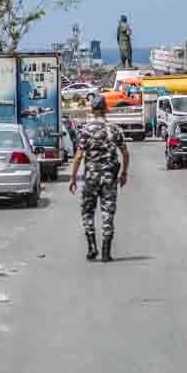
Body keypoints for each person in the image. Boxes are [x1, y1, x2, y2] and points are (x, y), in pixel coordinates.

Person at [68, 93, 130, 262]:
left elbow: (79, 155)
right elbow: (125, 152)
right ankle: (106, 251)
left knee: (87, 211)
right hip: (109, 177)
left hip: (91, 178)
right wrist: (124, 173)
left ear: (92, 110)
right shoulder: (115, 129)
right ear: (106, 110)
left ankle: (92, 246)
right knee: (107, 213)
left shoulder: (86, 130)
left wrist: (73, 178)